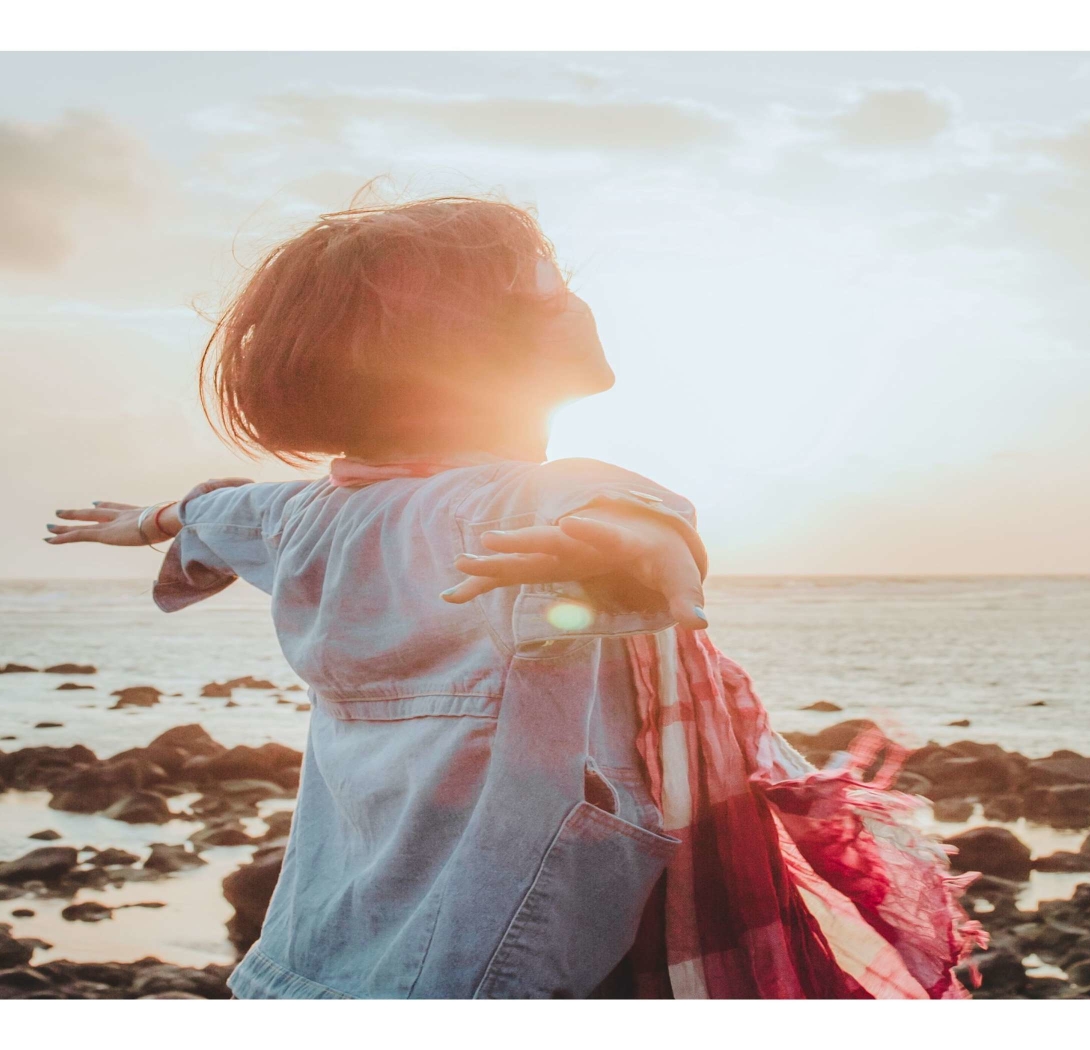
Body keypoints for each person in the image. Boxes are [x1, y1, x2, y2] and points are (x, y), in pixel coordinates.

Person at [44, 196, 717, 999]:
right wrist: (636, 545)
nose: (574, 295)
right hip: (505, 955)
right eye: (544, 282)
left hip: (326, 948)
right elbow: (601, 504)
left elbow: (227, 512)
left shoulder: (310, 514)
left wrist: (152, 519)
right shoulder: (514, 503)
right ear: (456, 347)